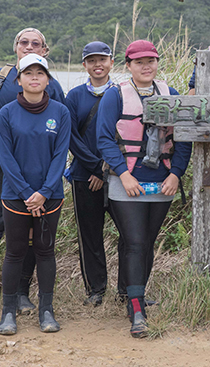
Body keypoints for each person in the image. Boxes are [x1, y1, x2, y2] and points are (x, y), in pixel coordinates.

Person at [0, 28, 65, 321]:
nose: (29, 46)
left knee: (35, 237)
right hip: (2, 167)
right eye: (24, 42)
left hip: (43, 175)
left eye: (36, 43)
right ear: (16, 48)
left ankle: (22, 293)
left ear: (45, 51)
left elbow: (60, 125)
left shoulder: (52, 85)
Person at [96, 39, 192, 338]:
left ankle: (131, 293)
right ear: (129, 65)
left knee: (146, 242)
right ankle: (137, 310)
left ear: (157, 62)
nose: (146, 66)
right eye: (139, 62)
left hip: (162, 182)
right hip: (128, 183)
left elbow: (184, 138)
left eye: (150, 60)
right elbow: (104, 139)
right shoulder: (115, 96)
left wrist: (176, 173)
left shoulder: (171, 94)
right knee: (135, 241)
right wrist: (124, 174)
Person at [0, 54, 71, 334]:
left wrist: (44, 192)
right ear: (19, 80)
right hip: (15, 196)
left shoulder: (60, 113)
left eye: (40, 73)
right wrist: (28, 193)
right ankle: (7, 313)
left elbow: (60, 156)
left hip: (50, 196)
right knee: (14, 252)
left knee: (45, 251)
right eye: (29, 73)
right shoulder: (7, 113)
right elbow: (6, 158)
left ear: (48, 80)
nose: (35, 77)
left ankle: (46, 312)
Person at [64, 41, 120, 307]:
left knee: (130, 233)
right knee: (90, 235)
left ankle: (128, 289)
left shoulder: (123, 93)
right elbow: (70, 137)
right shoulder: (74, 97)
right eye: (92, 60)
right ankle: (95, 289)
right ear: (84, 65)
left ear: (112, 62)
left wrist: (107, 169)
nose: (98, 65)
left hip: (120, 175)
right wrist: (96, 168)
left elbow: (126, 135)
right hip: (84, 176)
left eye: (103, 59)